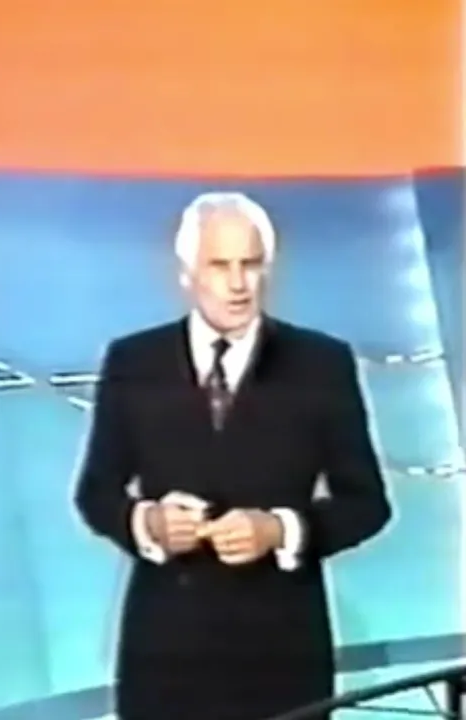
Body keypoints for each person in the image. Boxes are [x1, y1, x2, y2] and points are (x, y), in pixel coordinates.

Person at [73, 191, 393, 720]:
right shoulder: (134, 362)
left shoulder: (321, 364)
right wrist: (147, 522)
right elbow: (96, 492)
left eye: (251, 264)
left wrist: (279, 529)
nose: (239, 283)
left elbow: (367, 503)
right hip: (165, 655)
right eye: (220, 266)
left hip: (282, 656)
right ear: (187, 273)